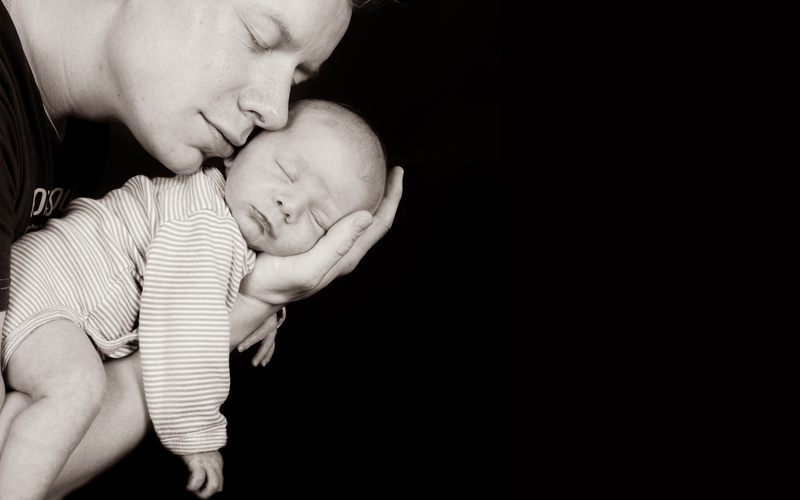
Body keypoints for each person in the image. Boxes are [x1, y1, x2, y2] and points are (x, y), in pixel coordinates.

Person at [0, 0, 403, 498]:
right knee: (75, 389)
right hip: (51, 310)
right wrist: (198, 428)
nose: (275, 111)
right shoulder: (201, 220)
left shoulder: (77, 139)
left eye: (296, 78)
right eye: (259, 38)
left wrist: (258, 302)